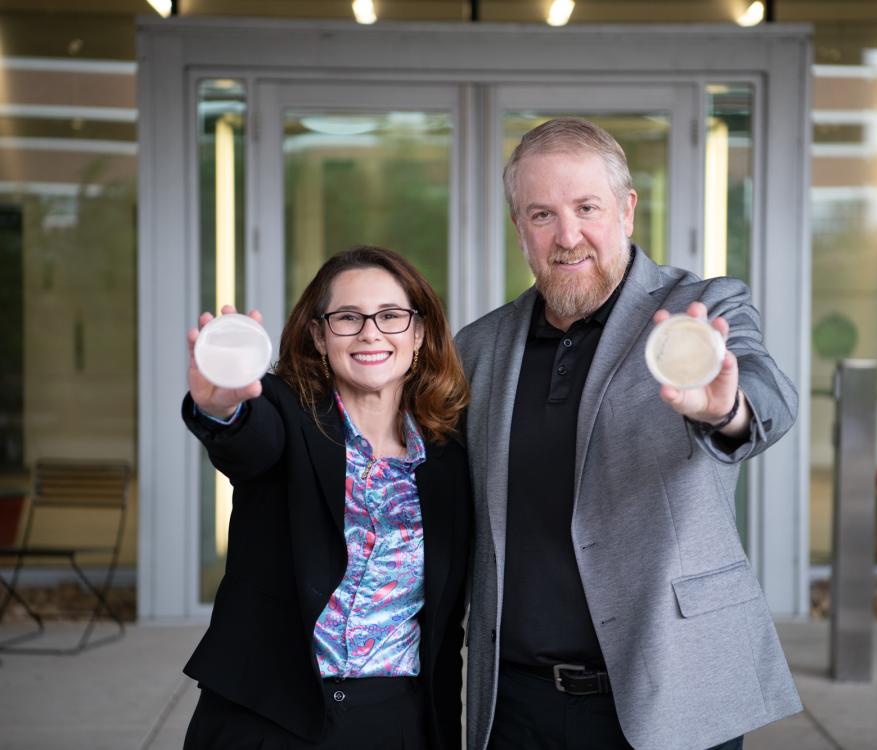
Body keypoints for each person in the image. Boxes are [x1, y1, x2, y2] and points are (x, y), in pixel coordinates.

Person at [455, 118, 802, 750]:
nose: (568, 236)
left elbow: (765, 393)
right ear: (519, 229)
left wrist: (725, 409)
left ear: (627, 210)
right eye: (541, 214)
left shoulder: (702, 309)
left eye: (587, 207)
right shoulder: (479, 347)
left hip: (675, 685)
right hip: (517, 701)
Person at [181, 246, 471, 749]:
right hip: (268, 715)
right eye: (347, 318)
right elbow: (249, 445)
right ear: (318, 335)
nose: (370, 332)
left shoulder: (449, 452)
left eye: (391, 316)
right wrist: (221, 406)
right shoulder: (281, 408)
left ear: (419, 333)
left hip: (395, 719)